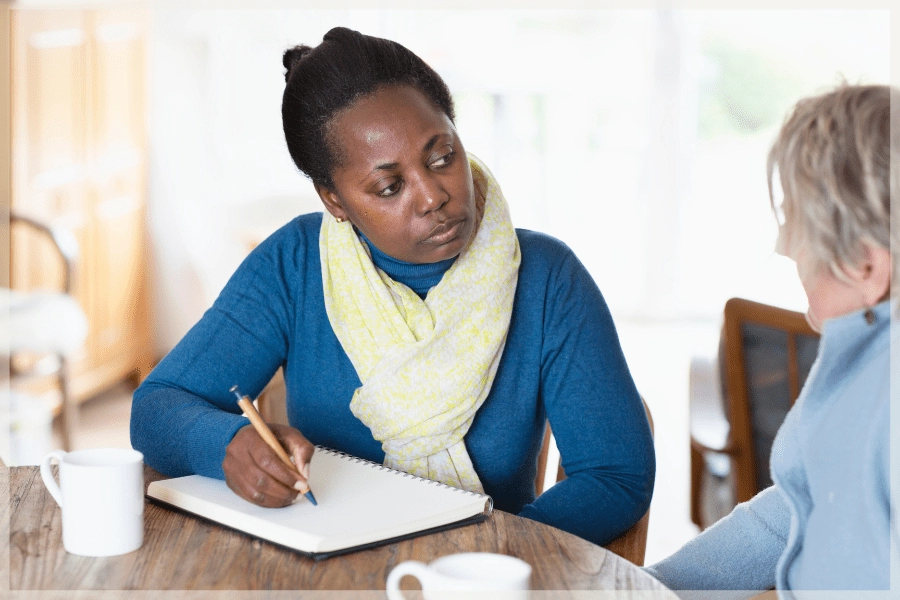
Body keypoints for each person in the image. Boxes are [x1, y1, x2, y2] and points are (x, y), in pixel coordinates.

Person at [130, 27, 655, 547]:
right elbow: (157, 406)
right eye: (389, 186)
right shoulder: (296, 264)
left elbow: (615, 474)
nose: (433, 196)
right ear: (334, 200)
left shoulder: (546, 277)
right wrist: (229, 444)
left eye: (442, 156)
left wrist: (486, 558)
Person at [645, 84, 898, 595]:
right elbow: (788, 512)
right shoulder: (854, 359)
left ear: (866, 267)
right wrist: (647, 587)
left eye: (797, 228)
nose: (785, 249)